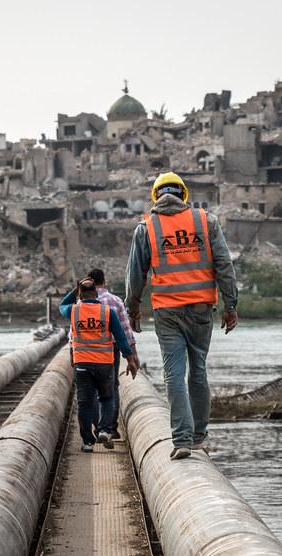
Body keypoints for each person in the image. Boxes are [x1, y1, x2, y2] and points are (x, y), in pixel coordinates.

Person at [124, 171, 239, 460]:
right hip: (201, 309)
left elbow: (135, 276)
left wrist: (132, 309)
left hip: (167, 311)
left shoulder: (146, 228)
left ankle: (182, 439)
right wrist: (231, 305)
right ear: (183, 194)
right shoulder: (205, 221)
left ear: (156, 196)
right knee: (198, 369)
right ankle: (199, 435)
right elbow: (224, 265)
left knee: (174, 373)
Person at [60, 277, 139, 452]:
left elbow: (61, 305)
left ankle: (88, 441)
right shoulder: (107, 311)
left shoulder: (73, 311)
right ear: (96, 293)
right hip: (104, 363)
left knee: (85, 402)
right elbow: (121, 337)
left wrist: (74, 291)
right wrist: (130, 359)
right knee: (107, 397)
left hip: (82, 364)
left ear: (80, 294)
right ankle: (104, 429)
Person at [86, 268, 138, 439]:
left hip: (87, 350)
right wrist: (132, 356)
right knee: (111, 385)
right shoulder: (115, 301)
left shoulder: (81, 303)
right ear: (104, 281)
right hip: (110, 349)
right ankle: (110, 428)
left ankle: (97, 426)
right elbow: (125, 330)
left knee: (91, 389)